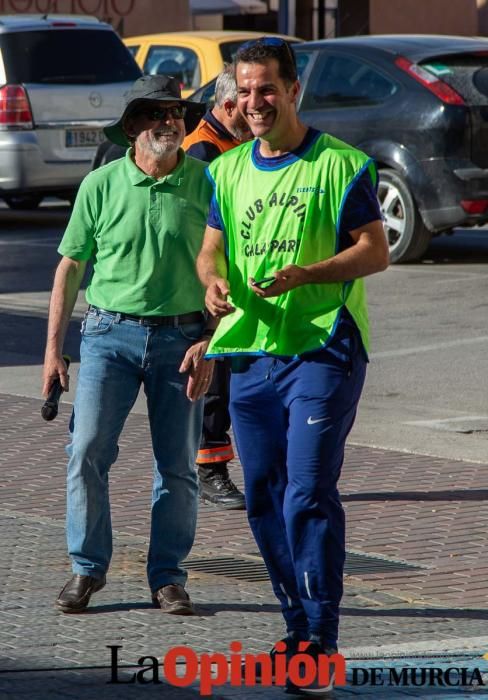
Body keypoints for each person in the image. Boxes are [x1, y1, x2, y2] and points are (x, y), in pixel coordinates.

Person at [196, 38, 389, 692]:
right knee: (263, 499)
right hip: (251, 354)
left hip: (323, 347)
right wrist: (210, 284)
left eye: (267, 89)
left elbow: (374, 251)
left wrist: (311, 272)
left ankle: (321, 641)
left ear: (293, 91)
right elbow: (210, 251)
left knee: (307, 491)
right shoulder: (225, 171)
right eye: (245, 90)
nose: (254, 102)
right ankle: (298, 629)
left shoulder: (342, 166)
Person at [43, 75, 215, 616]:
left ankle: (167, 577)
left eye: (177, 115)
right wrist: (53, 350)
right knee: (87, 448)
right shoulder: (100, 185)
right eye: (157, 114)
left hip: (183, 339)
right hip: (107, 337)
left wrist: (213, 339)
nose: (171, 123)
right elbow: (70, 267)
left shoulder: (207, 184)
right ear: (134, 127)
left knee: (179, 466)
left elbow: (228, 268)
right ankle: (87, 568)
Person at [182, 65, 252, 510]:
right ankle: (209, 469)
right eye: (243, 103)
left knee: (223, 377)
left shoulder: (229, 142)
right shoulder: (206, 151)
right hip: (206, 285)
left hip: (224, 281)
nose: (253, 110)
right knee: (214, 380)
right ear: (227, 106)